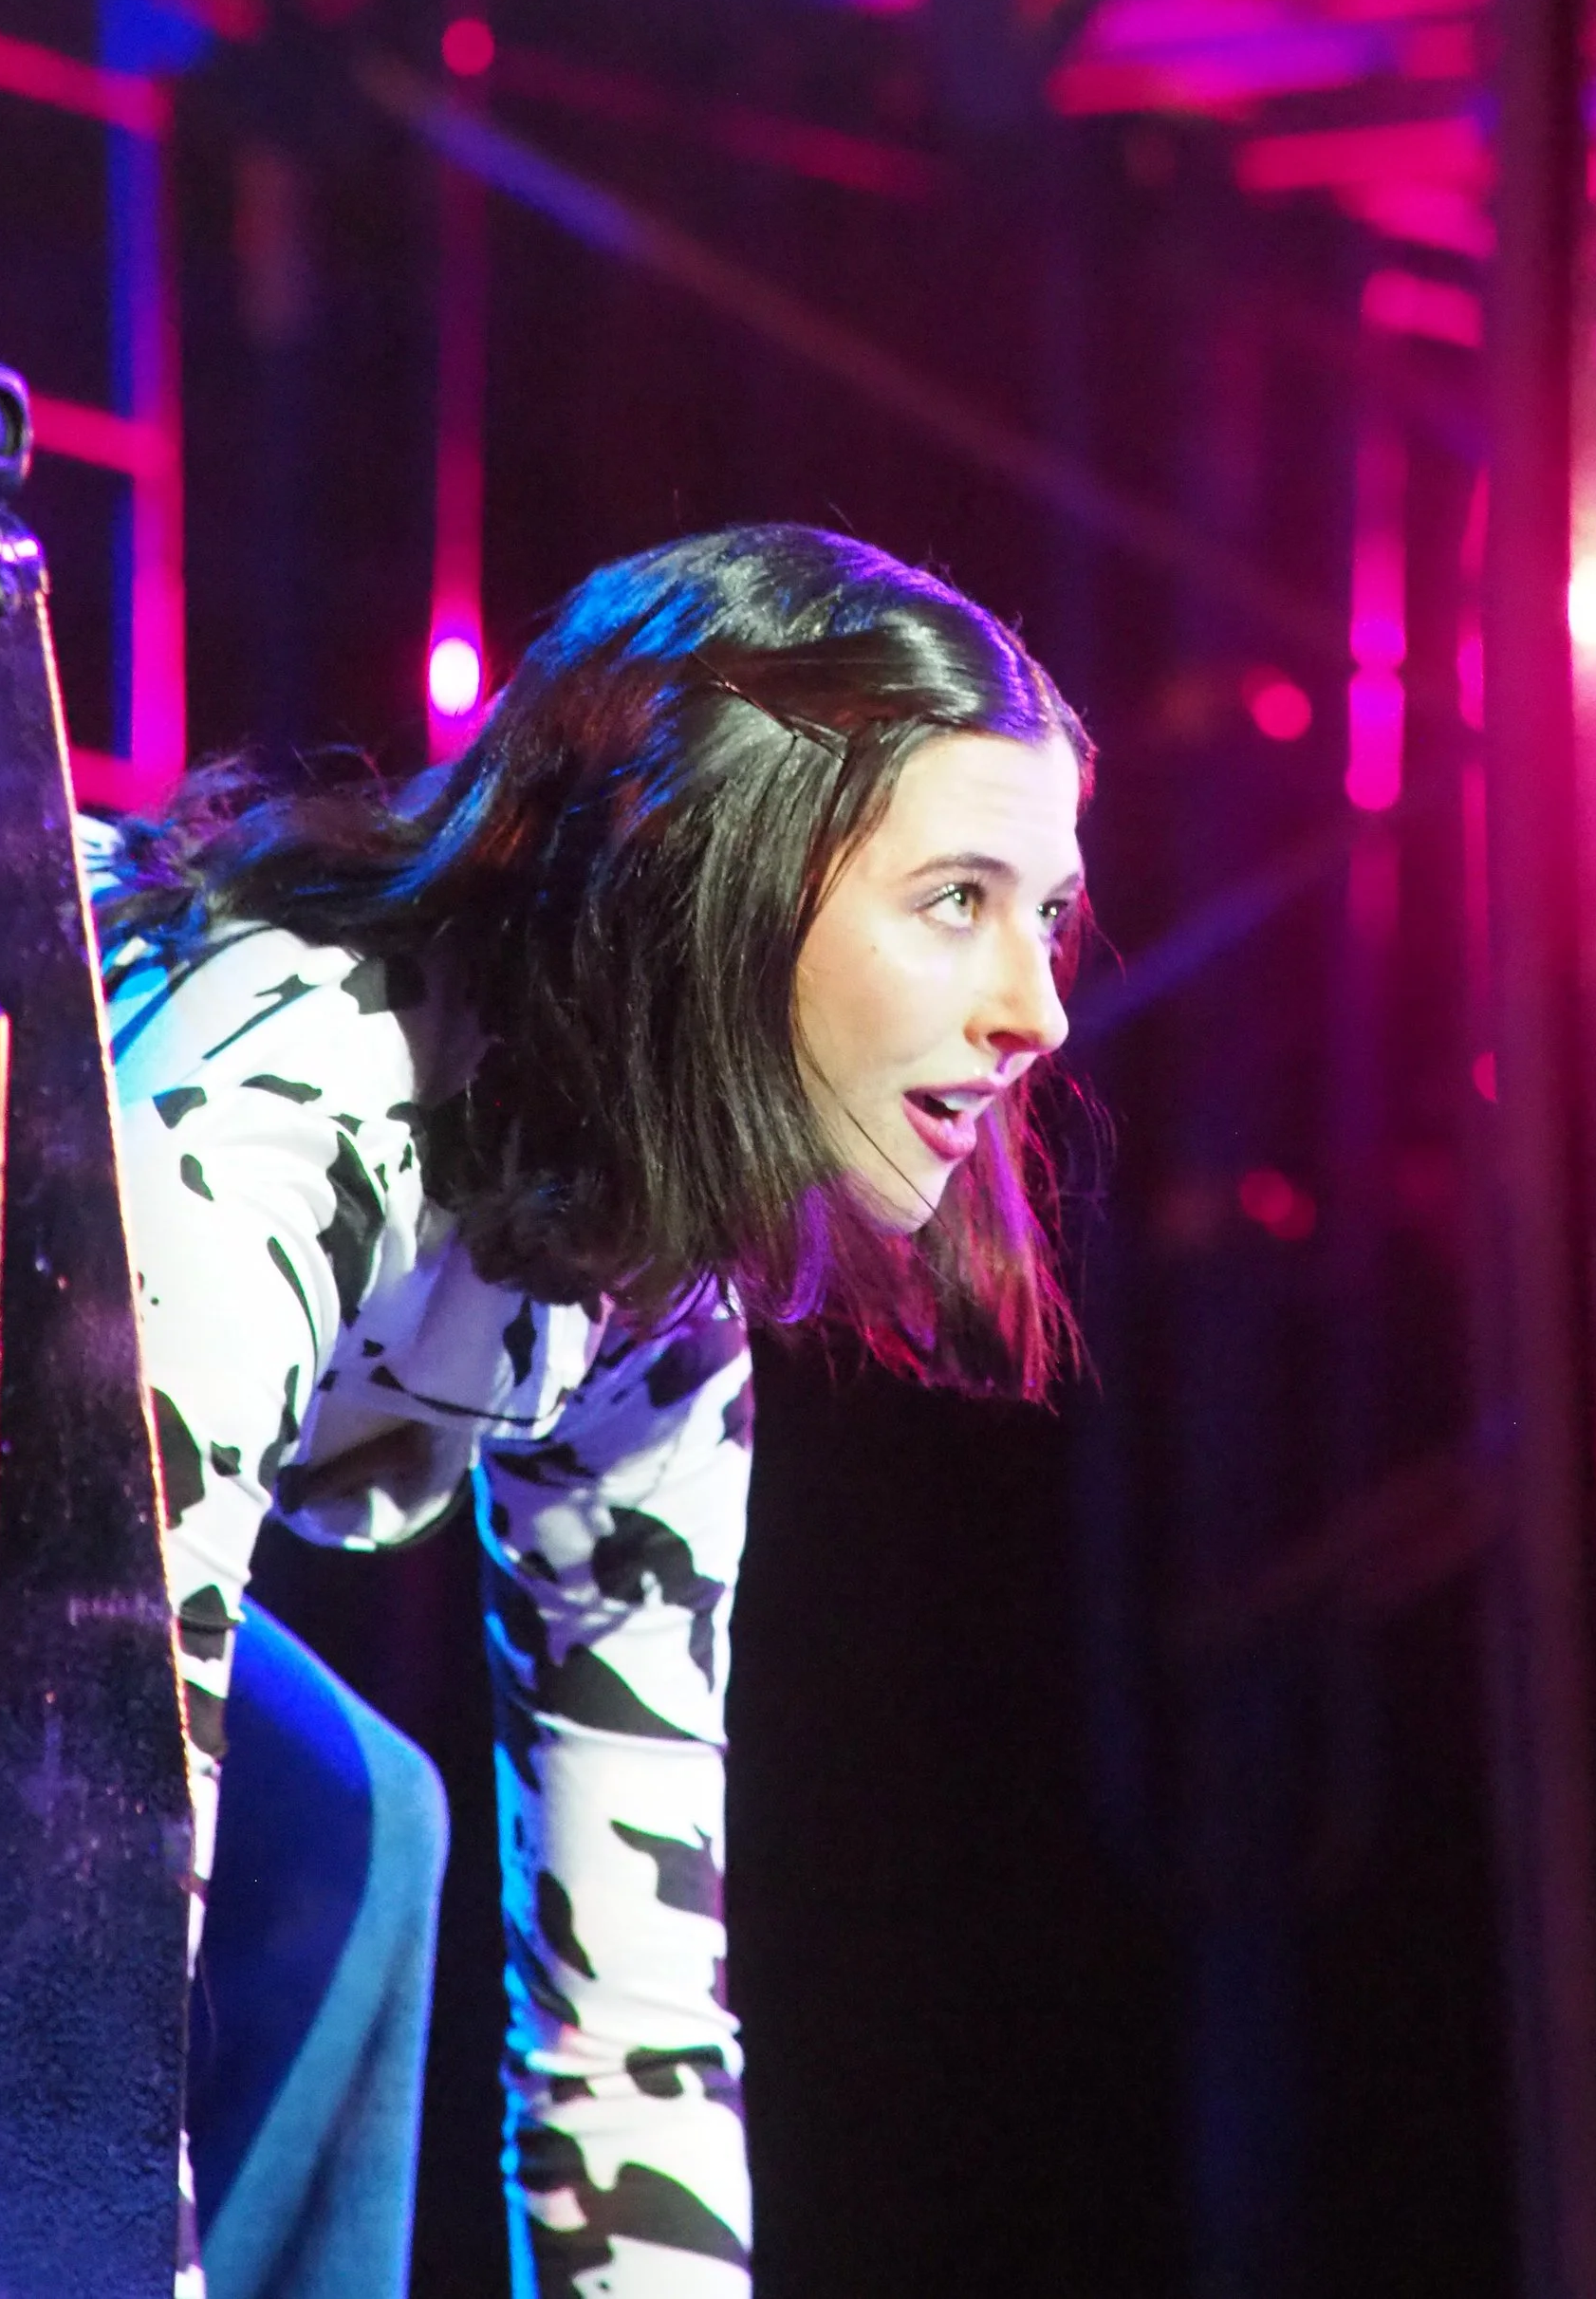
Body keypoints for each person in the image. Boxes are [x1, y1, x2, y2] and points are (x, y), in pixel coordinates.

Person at [87, 522, 1091, 2299]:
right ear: (714, 874)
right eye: (958, 901)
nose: (1041, 1012)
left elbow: (631, 2020)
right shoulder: (279, 1106)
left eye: (1051, 915)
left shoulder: (660, 1284)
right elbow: (88, 1904)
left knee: (352, 1829)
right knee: (342, 1835)